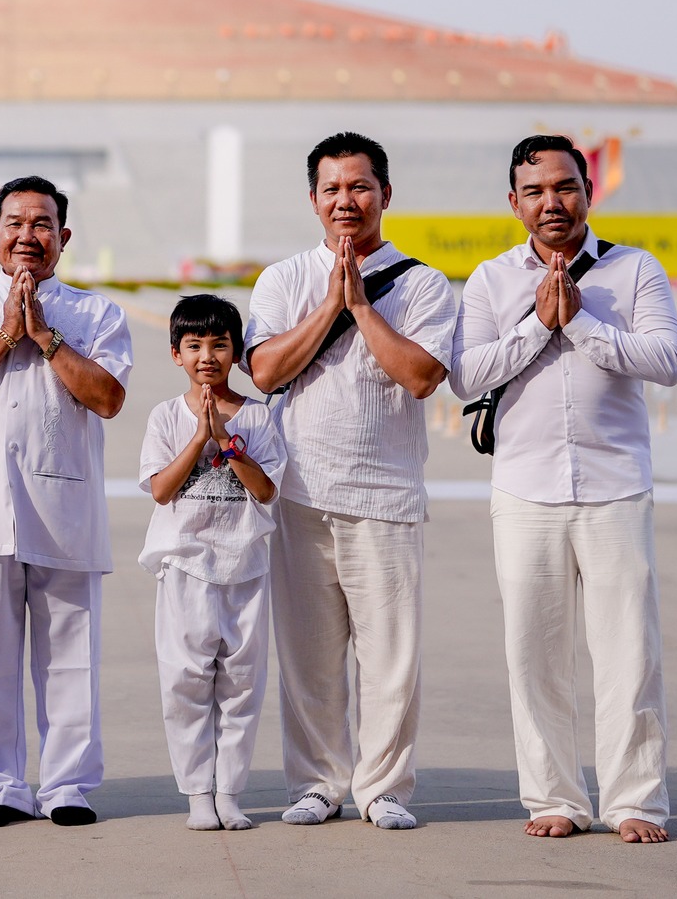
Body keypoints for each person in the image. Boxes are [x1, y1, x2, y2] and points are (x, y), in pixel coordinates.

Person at [451, 135, 677, 844]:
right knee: (534, 650)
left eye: (565, 186)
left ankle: (635, 799)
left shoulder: (634, 269)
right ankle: (553, 795)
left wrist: (580, 320)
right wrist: (537, 324)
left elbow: (667, 359)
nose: (552, 202)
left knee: (628, 651)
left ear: (588, 190)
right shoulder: (491, 279)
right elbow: (467, 373)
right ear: (514, 201)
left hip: (615, 485)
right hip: (525, 489)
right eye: (536, 190)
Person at [245, 131, 458, 830]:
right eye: (332, 189)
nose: (347, 200)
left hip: (385, 495)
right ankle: (318, 780)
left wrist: (363, 306)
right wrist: (329, 305)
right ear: (313, 200)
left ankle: (384, 786)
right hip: (300, 492)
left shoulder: (422, 283)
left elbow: (423, 376)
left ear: (385, 195)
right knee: (308, 656)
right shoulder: (282, 279)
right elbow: (268, 370)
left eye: (360, 186)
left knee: (390, 654)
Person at [0, 176, 131, 828]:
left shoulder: (94, 314)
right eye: (15, 222)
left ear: (63, 238)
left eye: (42, 224)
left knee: (71, 655)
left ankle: (66, 783)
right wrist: (5, 335)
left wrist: (45, 338)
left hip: (65, 510)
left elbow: (109, 398)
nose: (27, 235)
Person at [139, 294, 284, 833]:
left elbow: (266, 490)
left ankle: (230, 792)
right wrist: (199, 437)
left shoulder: (260, 417)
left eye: (219, 344)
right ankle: (198, 791)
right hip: (185, 568)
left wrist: (226, 443)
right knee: (186, 683)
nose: (207, 356)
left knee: (242, 685)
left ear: (235, 351)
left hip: (244, 567)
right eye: (194, 345)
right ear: (176, 353)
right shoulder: (164, 417)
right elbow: (160, 490)